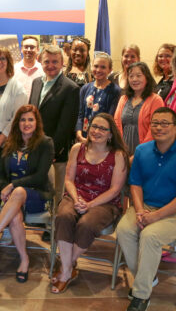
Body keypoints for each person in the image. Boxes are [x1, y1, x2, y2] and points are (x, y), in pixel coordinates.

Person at [116, 107, 176, 311]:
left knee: (150, 235)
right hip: (145, 206)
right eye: (155, 123)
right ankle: (147, 277)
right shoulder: (142, 151)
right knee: (124, 230)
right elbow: (135, 184)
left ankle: (141, 295)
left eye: (165, 123)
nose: (159, 127)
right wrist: (139, 211)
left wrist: (155, 217)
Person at [0, 105, 54, 283]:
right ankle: (24, 259)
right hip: (12, 198)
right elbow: (1, 174)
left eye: (30, 119)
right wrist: (4, 188)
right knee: (15, 217)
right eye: (23, 119)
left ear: (37, 122)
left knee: (18, 191)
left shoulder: (45, 143)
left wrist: (12, 186)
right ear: (17, 123)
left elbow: (40, 177)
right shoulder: (10, 143)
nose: (26, 123)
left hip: (36, 195)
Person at [51, 113, 128, 293]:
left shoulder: (118, 155)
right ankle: (69, 269)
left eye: (102, 128)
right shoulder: (77, 148)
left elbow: (115, 190)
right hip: (75, 195)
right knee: (63, 216)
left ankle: (66, 268)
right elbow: (69, 180)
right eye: (94, 126)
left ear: (111, 134)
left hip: (105, 202)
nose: (96, 131)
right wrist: (77, 199)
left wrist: (90, 205)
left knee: (87, 224)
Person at [29, 45, 80, 197]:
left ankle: (55, 221)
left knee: (56, 193)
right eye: (46, 61)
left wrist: (51, 151)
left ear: (62, 63)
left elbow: (65, 126)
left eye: (55, 62)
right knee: (36, 191)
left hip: (56, 153)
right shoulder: (36, 82)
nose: (50, 65)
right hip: (33, 148)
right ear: (41, 62)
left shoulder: (70, 88)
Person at [114, 62, 164, 156]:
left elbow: (155, 129)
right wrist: (120, 148)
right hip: (123, 152)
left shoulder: (156, 100)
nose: (134, 79)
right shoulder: (123, 99)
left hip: (147, 153)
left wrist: (140, 152)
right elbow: (116, 124)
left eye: (138, 76)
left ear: (147, 78)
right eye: (131, 76)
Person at [75, 52, 122, 144]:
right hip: (83, 138)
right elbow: (80, 115)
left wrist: (95, 137)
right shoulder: (85, 88)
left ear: (110, 70)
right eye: (96, 66)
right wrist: (79, 134)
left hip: (101, 139)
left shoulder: (115, 90)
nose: (98, 70)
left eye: (103, 67)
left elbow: (110, 118)